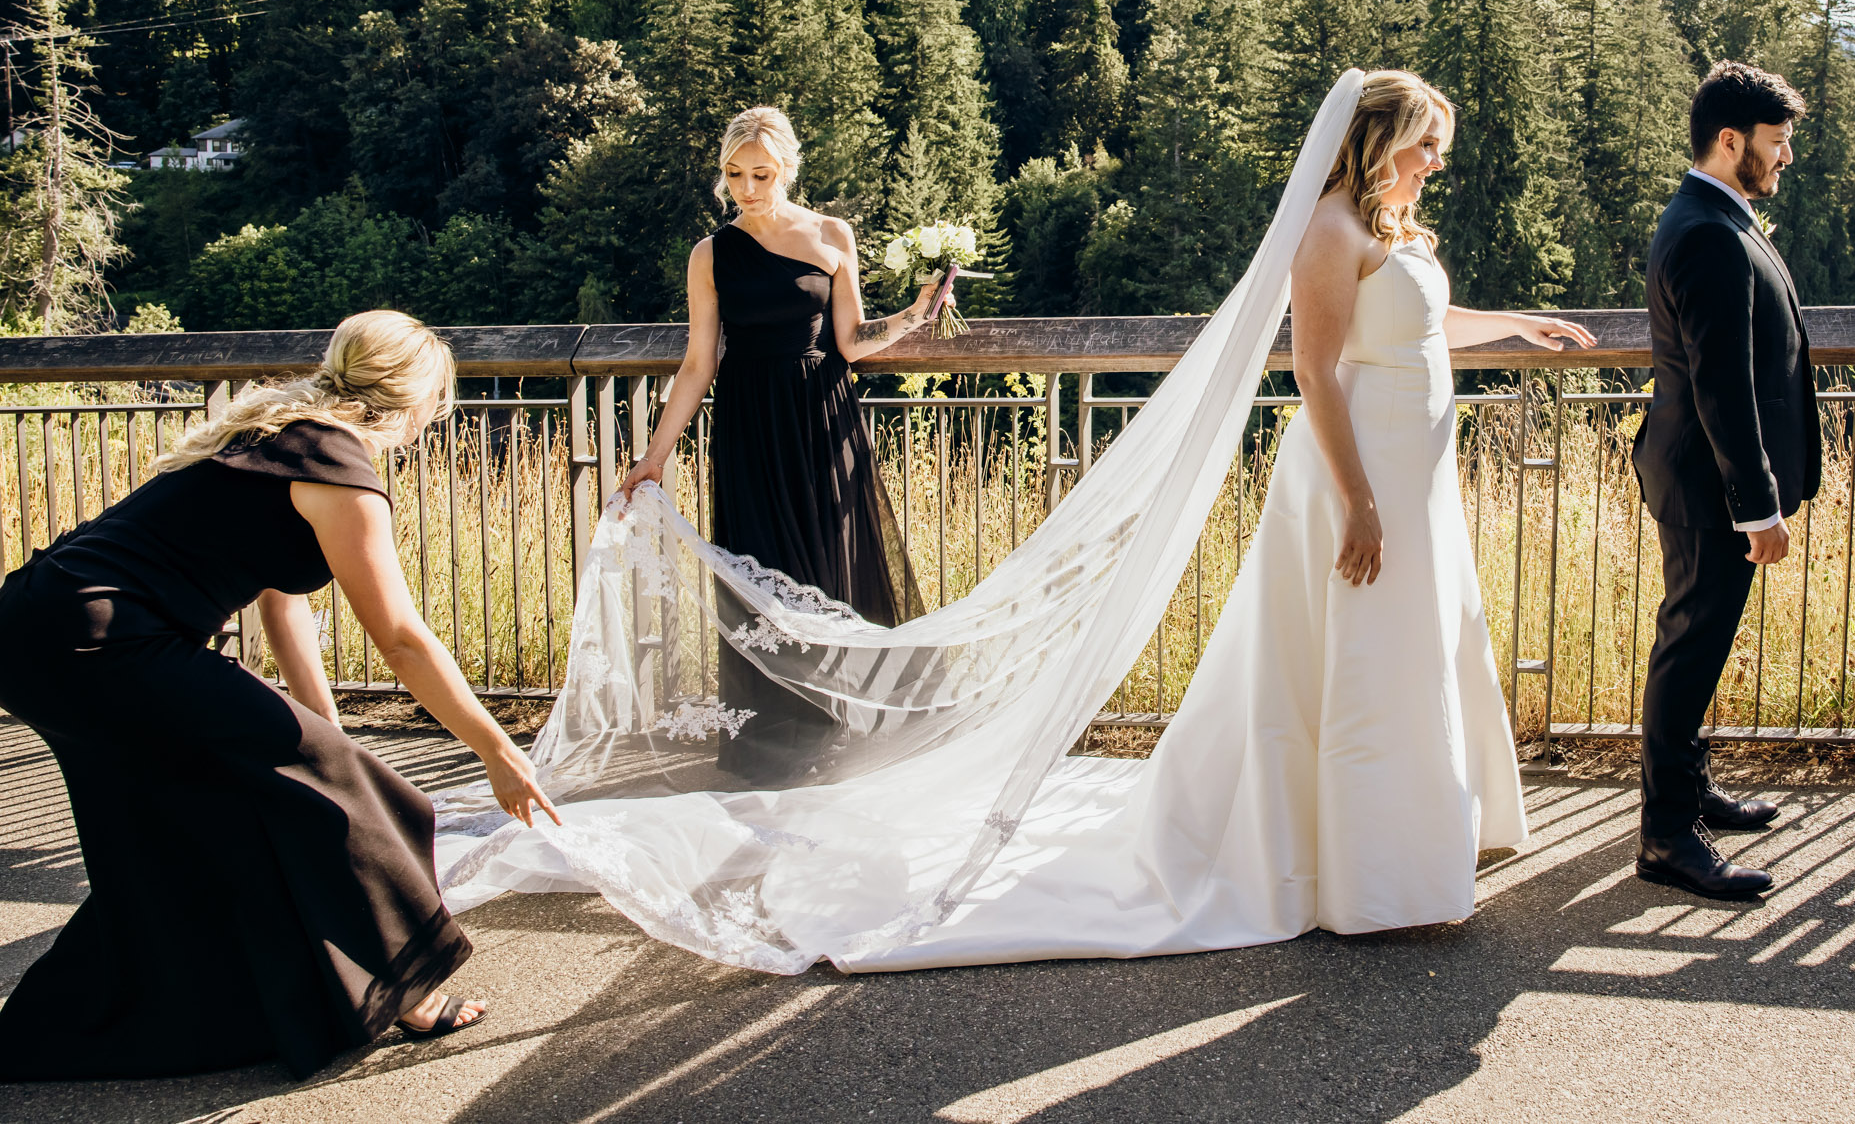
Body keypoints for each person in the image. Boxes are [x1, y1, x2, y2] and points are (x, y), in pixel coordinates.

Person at [438, 69, 1591, 970]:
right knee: (1352, 664)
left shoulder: (1389, 234)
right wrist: (648, 459)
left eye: (758, 169)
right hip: (1350, 474)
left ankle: (1409, 838)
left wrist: (1521, 322)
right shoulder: (1330, 233)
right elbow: (1321, 370)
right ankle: (1358, 866)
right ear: (1378, 140)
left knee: (1409, 654)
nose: (1436, 160)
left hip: (1396, 471)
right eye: (1425, 142)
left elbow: (1419, 326)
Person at [0, 311, 560, 1080]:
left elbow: (280, 601)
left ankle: (79, 1027)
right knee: (375, 803)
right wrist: (499, 749)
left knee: (171, 830)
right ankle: (405, 991)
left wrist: (323, 735)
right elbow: (399, 637)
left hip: (38, 626)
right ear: (420, 398)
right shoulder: (338, 465)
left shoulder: (277, 431)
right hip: (102, 640)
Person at [613, 105, 946, 781]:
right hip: (750, 428)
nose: (747, 187)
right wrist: (656, 454)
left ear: (788, 168)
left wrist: (915, 313)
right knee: (762, 575)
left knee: (829, 568)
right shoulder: (711, 254)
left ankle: (844, 734)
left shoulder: (831, 234)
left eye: (761, 173)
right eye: (735, 174)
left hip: (822, 420)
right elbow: (698, 362)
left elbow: (850, 341)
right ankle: (774, 744)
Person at [1628, 60, 1820, 900]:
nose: (1784, 160)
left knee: (1695, 647)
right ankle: (1667, 836)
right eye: (1776, 145)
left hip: (1702, 482)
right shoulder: (1708, 230)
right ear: (1732, 140)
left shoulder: (1715, 215)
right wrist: (1759, 507)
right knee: (1689, 648)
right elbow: (1723, 386)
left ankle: (1691, 791)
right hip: (1711, 489)